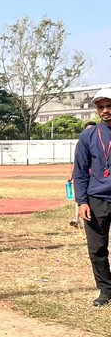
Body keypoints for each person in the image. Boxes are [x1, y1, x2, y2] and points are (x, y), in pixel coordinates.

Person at [73, 88, 111, 307]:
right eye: (100, 107)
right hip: (95, 200)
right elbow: (80, 170)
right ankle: (106, 290)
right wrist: (82, 201)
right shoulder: (87, 136)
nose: (105, 111)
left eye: (109, 106)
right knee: (97, 249)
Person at [69, 121, 97, 228]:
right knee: (80, 196)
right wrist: (71, 173)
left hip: (95, 179)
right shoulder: (82, 142)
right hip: (85, 177)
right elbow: (77, 161)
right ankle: (76, 218)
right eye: (87, 129)